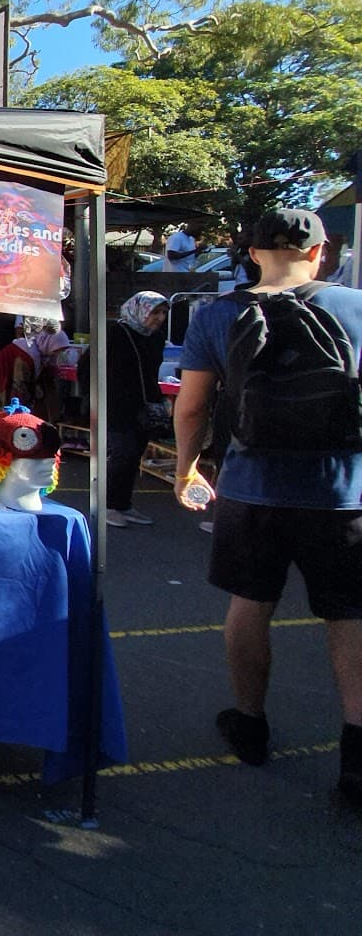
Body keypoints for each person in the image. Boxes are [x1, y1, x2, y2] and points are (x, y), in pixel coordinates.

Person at [172, 208, 362, 805]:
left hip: (252, 488)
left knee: (250, 606)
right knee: (349, 617)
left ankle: (250, 723)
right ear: (320, 251)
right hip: (343, 491)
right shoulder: (356, 308)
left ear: (252, 253)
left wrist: (186, 468)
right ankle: (357, 756)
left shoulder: (217, 313)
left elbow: (193, 407)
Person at [106, 291, 167, 529]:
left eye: (163, 312)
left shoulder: (155, 337)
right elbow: (90, 365)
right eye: (155, 312)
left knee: (134, 453)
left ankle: (123, 503)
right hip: (115, 403)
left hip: (144, 405)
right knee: (123, 452)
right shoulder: (116, 333)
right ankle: (109, 505)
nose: (159, 318)